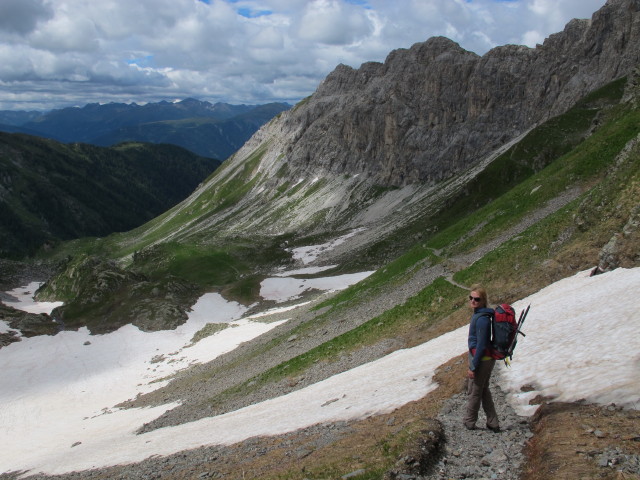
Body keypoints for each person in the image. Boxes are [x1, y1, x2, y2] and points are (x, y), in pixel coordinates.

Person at [463, 285, 500, 432]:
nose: (473, 301)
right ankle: (493, 422)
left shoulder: (482, 319)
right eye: (471, 298)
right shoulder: (480, 315)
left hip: (482, 360)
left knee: (475, 390)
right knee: (483, 389)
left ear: (483, 300)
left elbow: (482, 344)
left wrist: (473, 366)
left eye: (476, 299)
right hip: (484, 358)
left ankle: (469, 421)